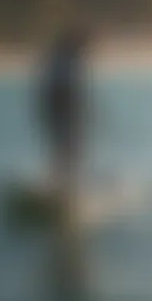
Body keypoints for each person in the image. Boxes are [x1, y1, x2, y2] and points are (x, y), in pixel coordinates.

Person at [38, 23, 92, 196]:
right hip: (62, 103)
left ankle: (64, 185)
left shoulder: (62, 56)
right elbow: (67, 88)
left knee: (67, 148)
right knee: (67, 147)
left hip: (60, 103)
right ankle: (61, 186)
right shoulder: (66, 57)